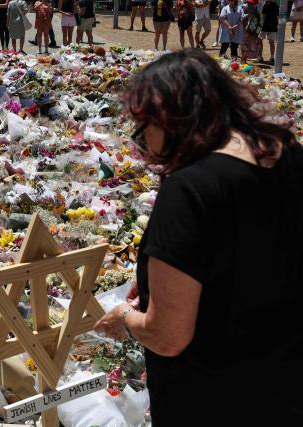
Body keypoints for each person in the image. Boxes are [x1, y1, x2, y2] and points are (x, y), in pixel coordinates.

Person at [95, 48, 302, 427]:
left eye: (144, 132)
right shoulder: (287, 156)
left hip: (215, 399)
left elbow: (168, 335)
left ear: (168, 117)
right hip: (286, 387)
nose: (145, 150)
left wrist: (125, 318)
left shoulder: (191, 189)